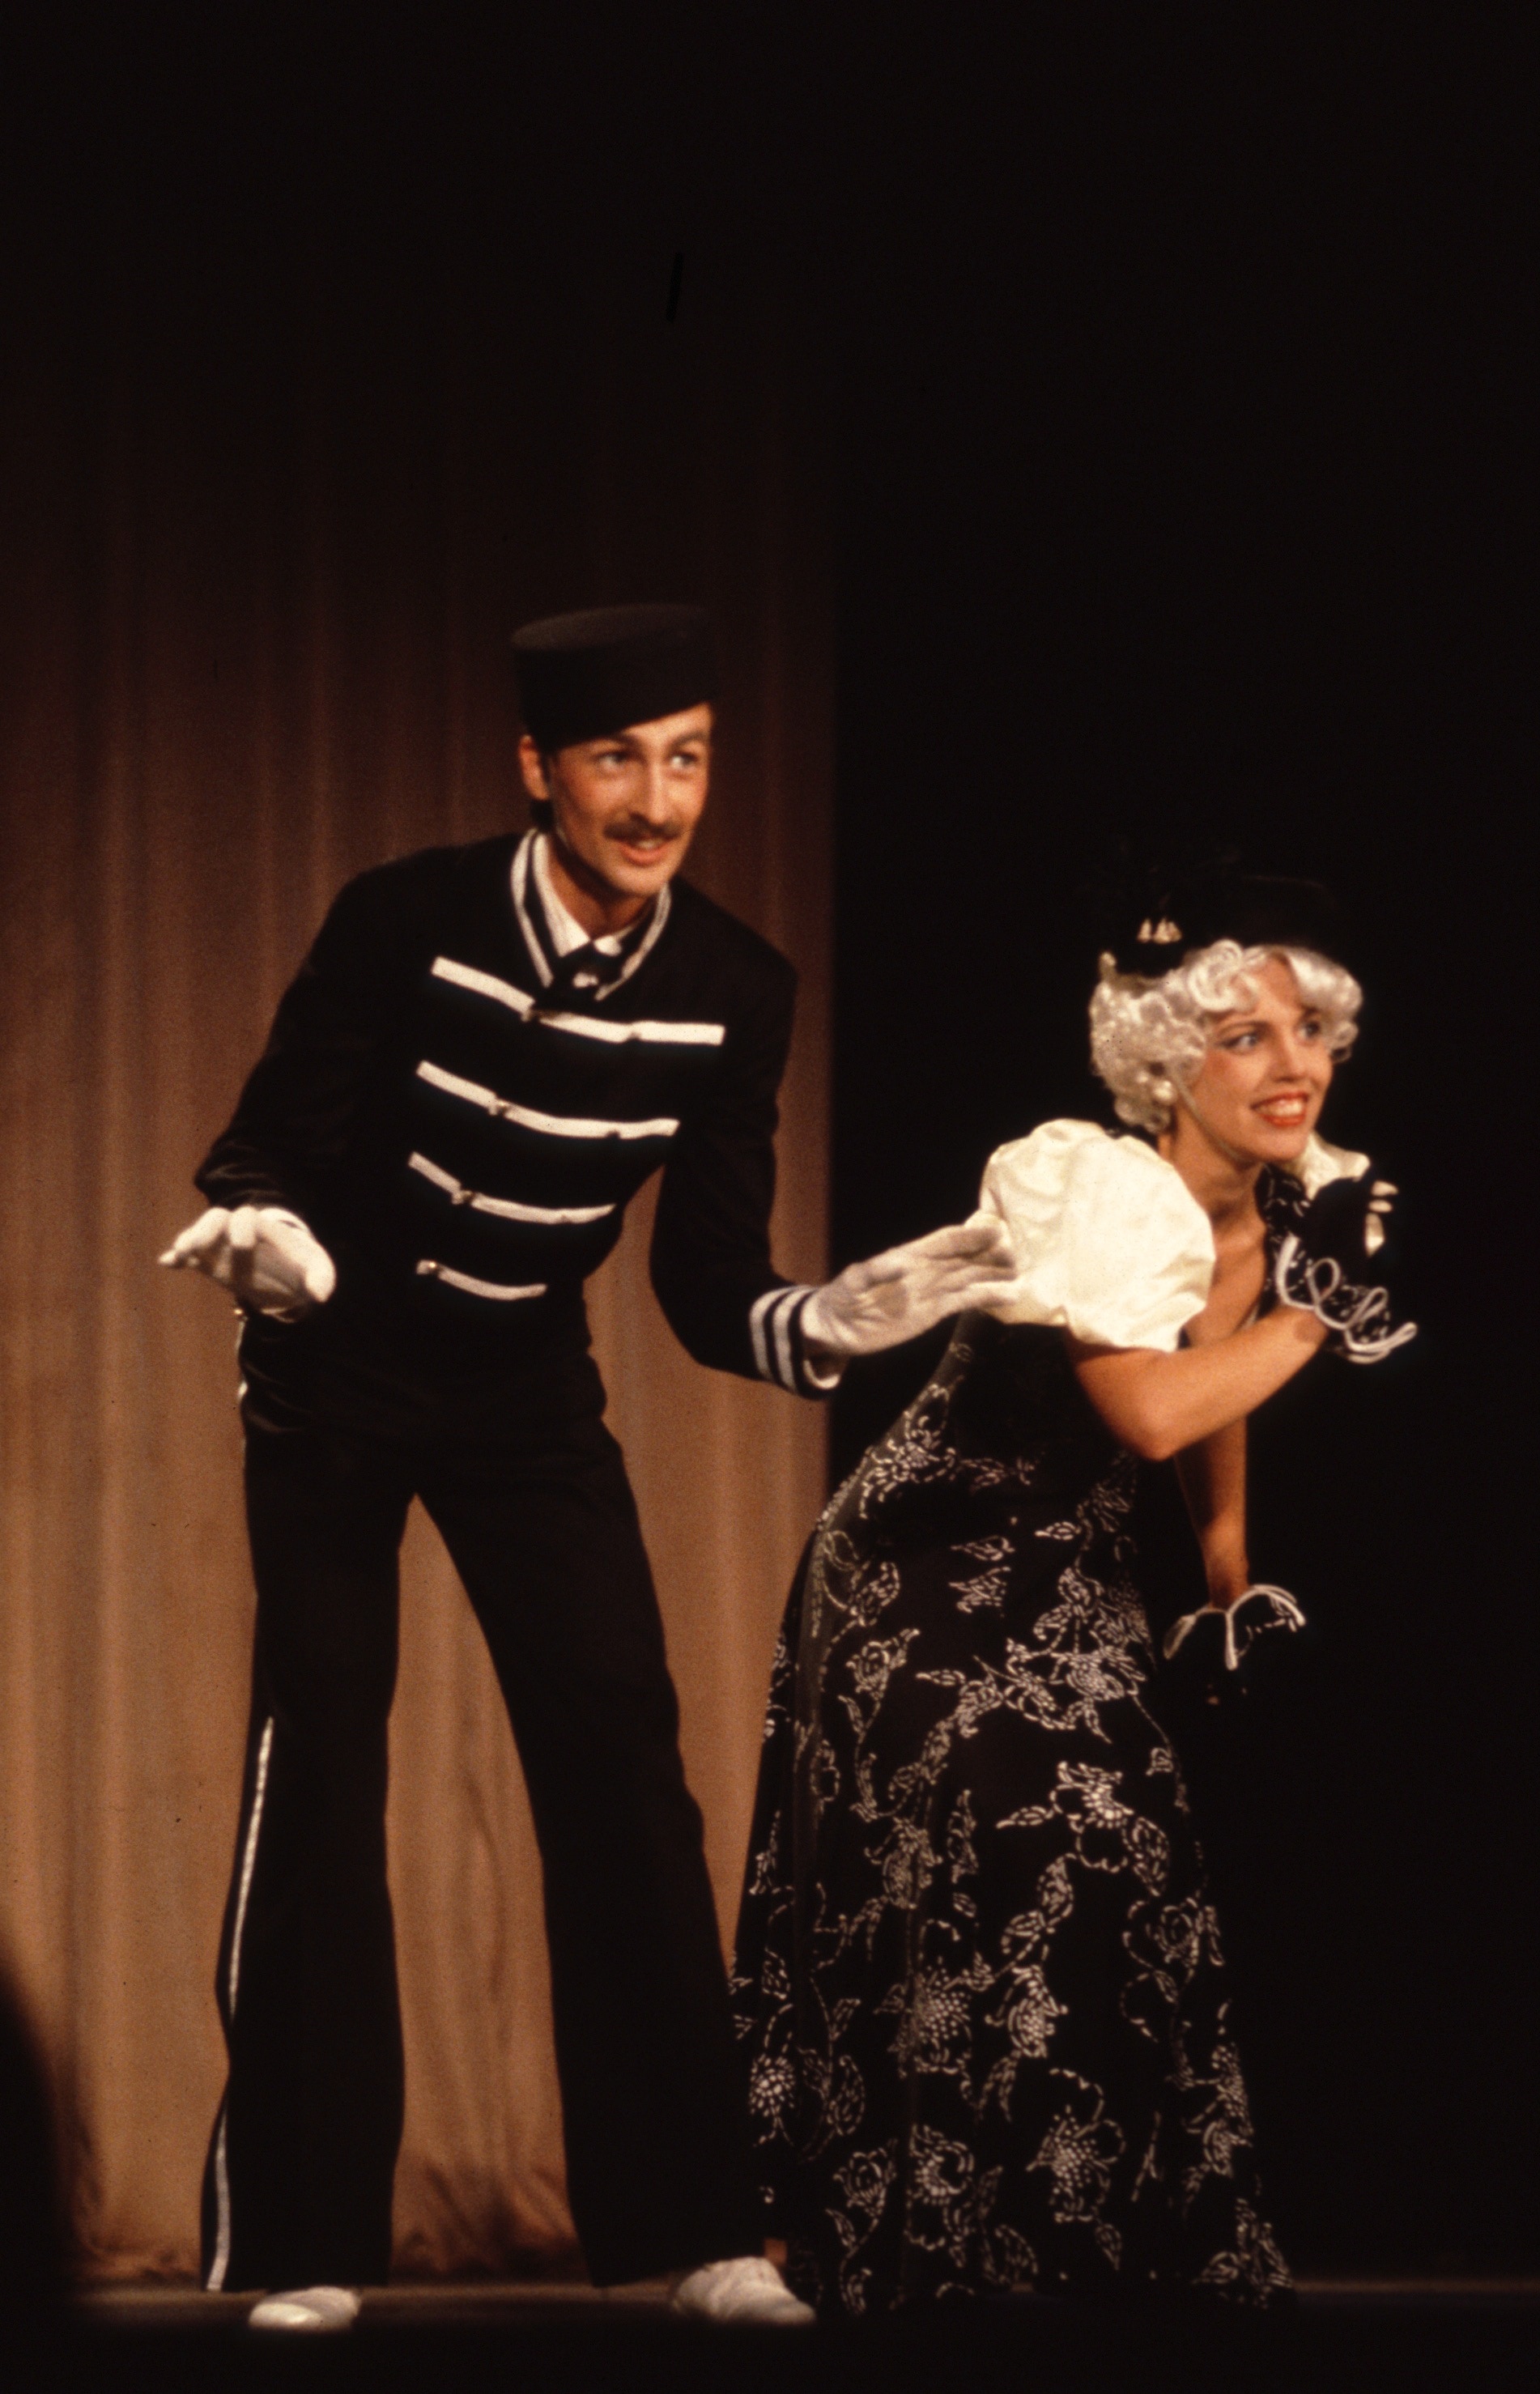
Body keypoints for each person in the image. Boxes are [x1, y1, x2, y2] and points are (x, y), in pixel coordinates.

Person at [160, 604, 1015, 2331]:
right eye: (619, 758)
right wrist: (269, 1239)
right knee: (320, 1757)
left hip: (523, 1394)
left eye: (687, 759)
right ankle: (304, 2241)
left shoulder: (737, 989)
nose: (656, 799)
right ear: (539, 769)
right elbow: (264, 1144)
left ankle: (700, 2229)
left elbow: (706, 1284)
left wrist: (831, 1320)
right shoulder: (406, 917)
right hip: (332, 1368)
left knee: (624, 1768)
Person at [732, 870, 1414, 2315]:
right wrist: (1313, 1316)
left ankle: (1093, 2242)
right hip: (922, 1563)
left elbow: (1214, 1390)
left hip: (1069, 1565)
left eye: (1307, 1031)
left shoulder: (1292, 1198)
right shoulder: (1097, 1184)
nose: (1292, 1064)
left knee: (1134, 1859)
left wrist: (1227, 1576)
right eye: (1245, 1038)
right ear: (1168, 1061)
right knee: (1007, 1858)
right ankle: (941, 2243)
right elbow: (1152, 1410)